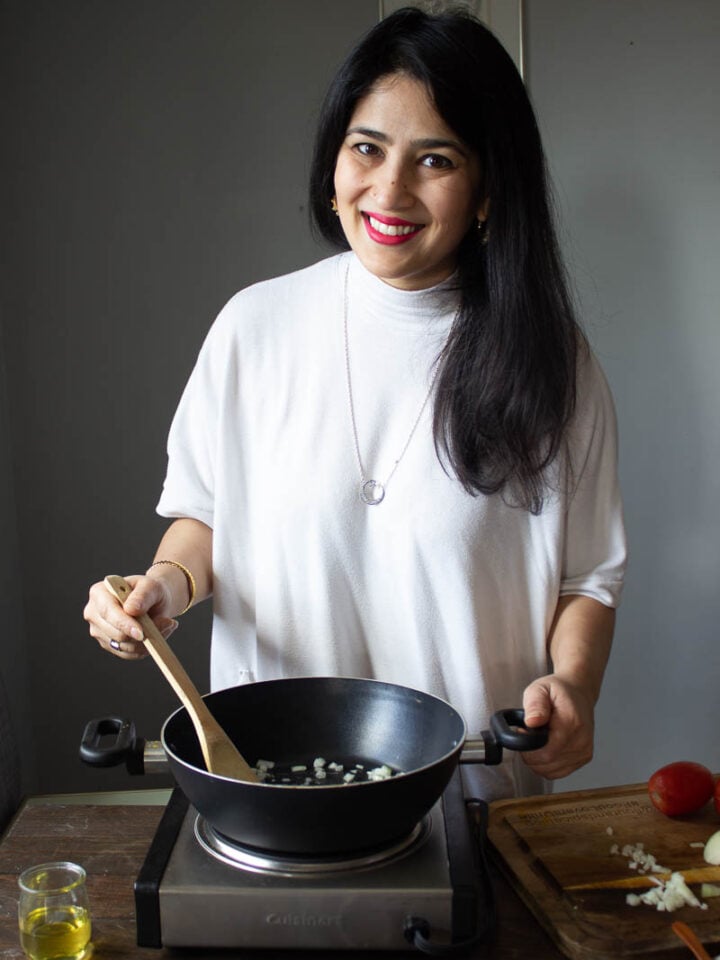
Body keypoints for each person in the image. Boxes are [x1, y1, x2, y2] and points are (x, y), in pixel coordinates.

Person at [83, 6, 626, 801]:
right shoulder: (253, 327)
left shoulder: (552, 360)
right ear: (334, 157)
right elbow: (205, 520)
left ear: (486, 189)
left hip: (469, 798)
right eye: (366, 147)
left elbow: (588, 578)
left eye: (435, 159)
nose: (389, 189)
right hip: (268, 788)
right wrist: (163, 585)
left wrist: (575, 685)